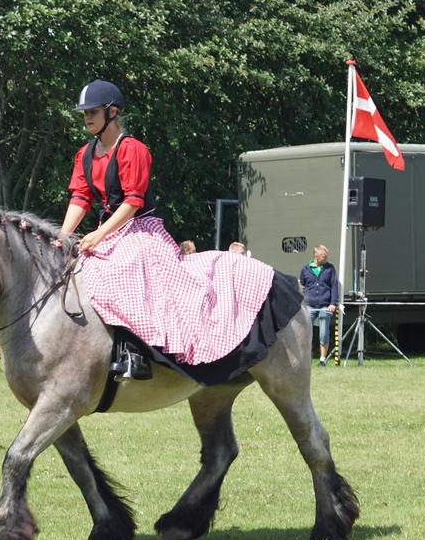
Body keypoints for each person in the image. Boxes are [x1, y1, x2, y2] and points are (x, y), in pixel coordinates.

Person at [59, 80, 274, 376]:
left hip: (139, 229)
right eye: (84, 112)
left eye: (93, 111)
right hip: (108, 229)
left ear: (112, 112)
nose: (87, 117)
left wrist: (98, 234)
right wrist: (63, 236)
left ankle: (135, 352)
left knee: (124, 269)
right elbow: (80, 197)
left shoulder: (132, 149)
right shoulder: (84, 154)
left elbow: (133, 202)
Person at [299, 245, 339, 367]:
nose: (326, 258)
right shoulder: (306, 269)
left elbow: (334, 286)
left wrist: (332, 303)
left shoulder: (330, 268)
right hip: (309, 306)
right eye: (323, 256)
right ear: (316, 256)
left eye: (326, 256)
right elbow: (302, 286)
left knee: (324, 333)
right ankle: (306, 359)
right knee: (305, 333)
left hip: (325, 306)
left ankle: (322, 360)